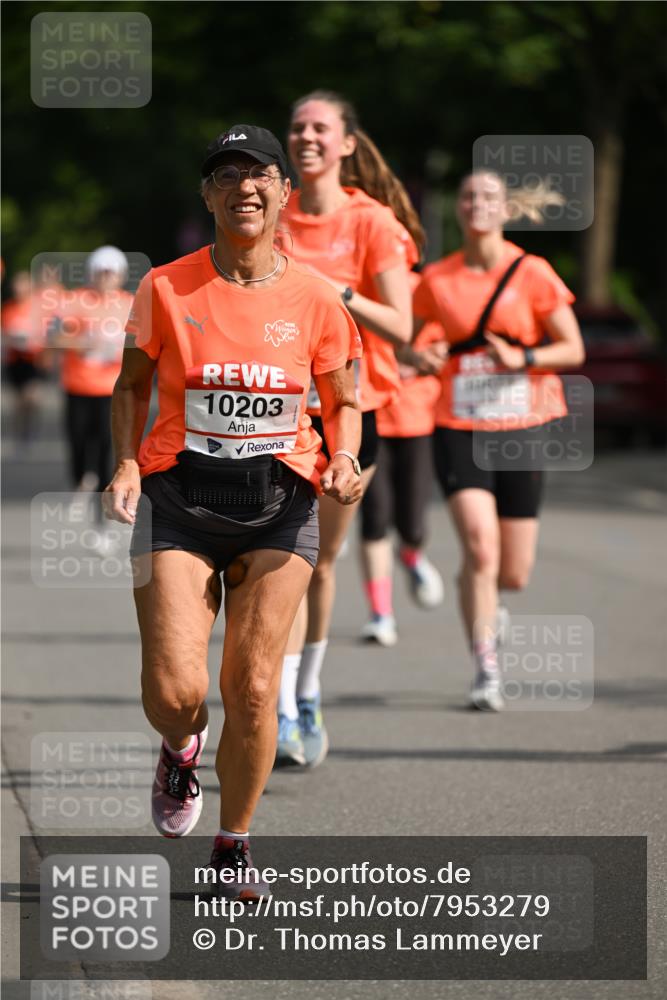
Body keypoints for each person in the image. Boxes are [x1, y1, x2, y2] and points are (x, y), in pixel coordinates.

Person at [103, 125, 362, 898]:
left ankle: (233, 847)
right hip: (177, 500)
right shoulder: (166, 287)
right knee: (175, 691)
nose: (244, 188)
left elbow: (344, 400)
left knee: (252, 687)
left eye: (260, 175)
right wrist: (123, 460)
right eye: (226, 176)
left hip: (280, 504)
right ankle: (180, 745)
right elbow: (130, 385)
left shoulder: (316, 298)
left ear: (284, 192)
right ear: (207, 194)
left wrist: (343, 458)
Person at [276, 90, 422, 766]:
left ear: (344, 144)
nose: (306, 137)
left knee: (319, 562)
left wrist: (327, 290)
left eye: (319, 128)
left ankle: (306, 697)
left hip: (351, 413)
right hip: (274, 410)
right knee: (274, 562)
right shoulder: (271, 215)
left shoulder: (371, 223)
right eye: (298, 128)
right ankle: (274, 708)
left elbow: (401, 325)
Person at [413, 170, 585, 711]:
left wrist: (524, 358)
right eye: (467, 196)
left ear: (505, 208)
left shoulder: (532, 274)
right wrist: (421, 355)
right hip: (458, 425)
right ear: (457, 209)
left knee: (513, 570)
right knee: (480, 548)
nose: (476, 204)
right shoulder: (436, 278)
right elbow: (407, 341)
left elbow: (573, 348)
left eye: (487, 196)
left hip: (521, 426)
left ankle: (490, 604)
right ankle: (485, 665)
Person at [358, 272, 446, 646]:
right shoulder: (356, 289)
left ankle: (410, 556)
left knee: (412, 526)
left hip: (416, 420)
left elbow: (443, 348)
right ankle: (381, 615)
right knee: (374, 518)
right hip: (370, 416)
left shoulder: (426, 288)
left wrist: (429, 358)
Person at [49, 247, 132, 537]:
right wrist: (80, 343)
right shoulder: (74, 300)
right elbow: (53, 337)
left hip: (113, 390)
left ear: (120, 275)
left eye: (112, 273)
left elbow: (144, 341)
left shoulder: (130, 304)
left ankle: (101, 523)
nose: (106, 278)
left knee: (107, 452)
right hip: (78, 386)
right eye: (101, 272)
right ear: (92, 273)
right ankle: (80, 483)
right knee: (78, 445)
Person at [1, 270, 47, 445]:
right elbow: (4, 334)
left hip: (34, 360)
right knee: (19, 401)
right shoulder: (8, 309)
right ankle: (19, 432)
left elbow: (47, 333)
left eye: (23, 284)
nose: (19, 288)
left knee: (32, 397)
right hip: (15, 360)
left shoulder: (38, 308)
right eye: (16, 285)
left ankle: (31, 429)